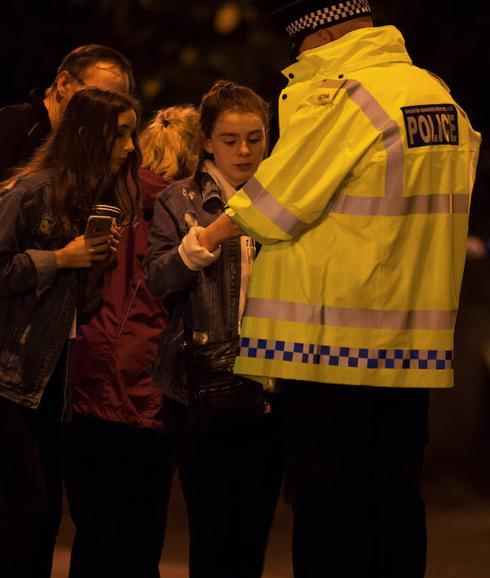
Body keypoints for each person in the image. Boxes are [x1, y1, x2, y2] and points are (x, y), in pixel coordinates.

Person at [198, 2, 482, 577]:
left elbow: (276, 206)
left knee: (330, 517)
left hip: (330, 352)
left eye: (300, 48)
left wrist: (205, 236)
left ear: (322, 33)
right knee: (395, 507)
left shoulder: (346, 96)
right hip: (409, 350)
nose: (299, 61)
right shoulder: (436, 94)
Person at [0, 87, 141, 578]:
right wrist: (61, 258)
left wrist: (94, 266)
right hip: (7, 376)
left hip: (46, 379)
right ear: (88, 136)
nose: (129, 147)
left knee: (40, 517)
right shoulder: (32, 191)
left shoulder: (88, 201)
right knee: (23, 509)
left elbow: (80, 310)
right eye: (119, 134)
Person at [145, 80, 283, 578]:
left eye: (255, 137)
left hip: (270, 382)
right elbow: (157, 277)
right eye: (230, 139)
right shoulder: (180, 199)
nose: (244, 151)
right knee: (212, 533)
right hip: (201, 386)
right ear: (206, 142)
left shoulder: (284, 195)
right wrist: (209, 235)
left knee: (252, 534)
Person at [63, 105, 200, 578]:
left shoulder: (104, 200)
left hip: (82, 386)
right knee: (136, 543)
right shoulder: (187, 217)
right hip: (145, 398)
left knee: (93, 533)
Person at [0, 43, 133, 180]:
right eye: (99, 96)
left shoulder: (91, 149)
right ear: (64, 84)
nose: (108, 110)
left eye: (118, 105)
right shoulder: (11, 124)